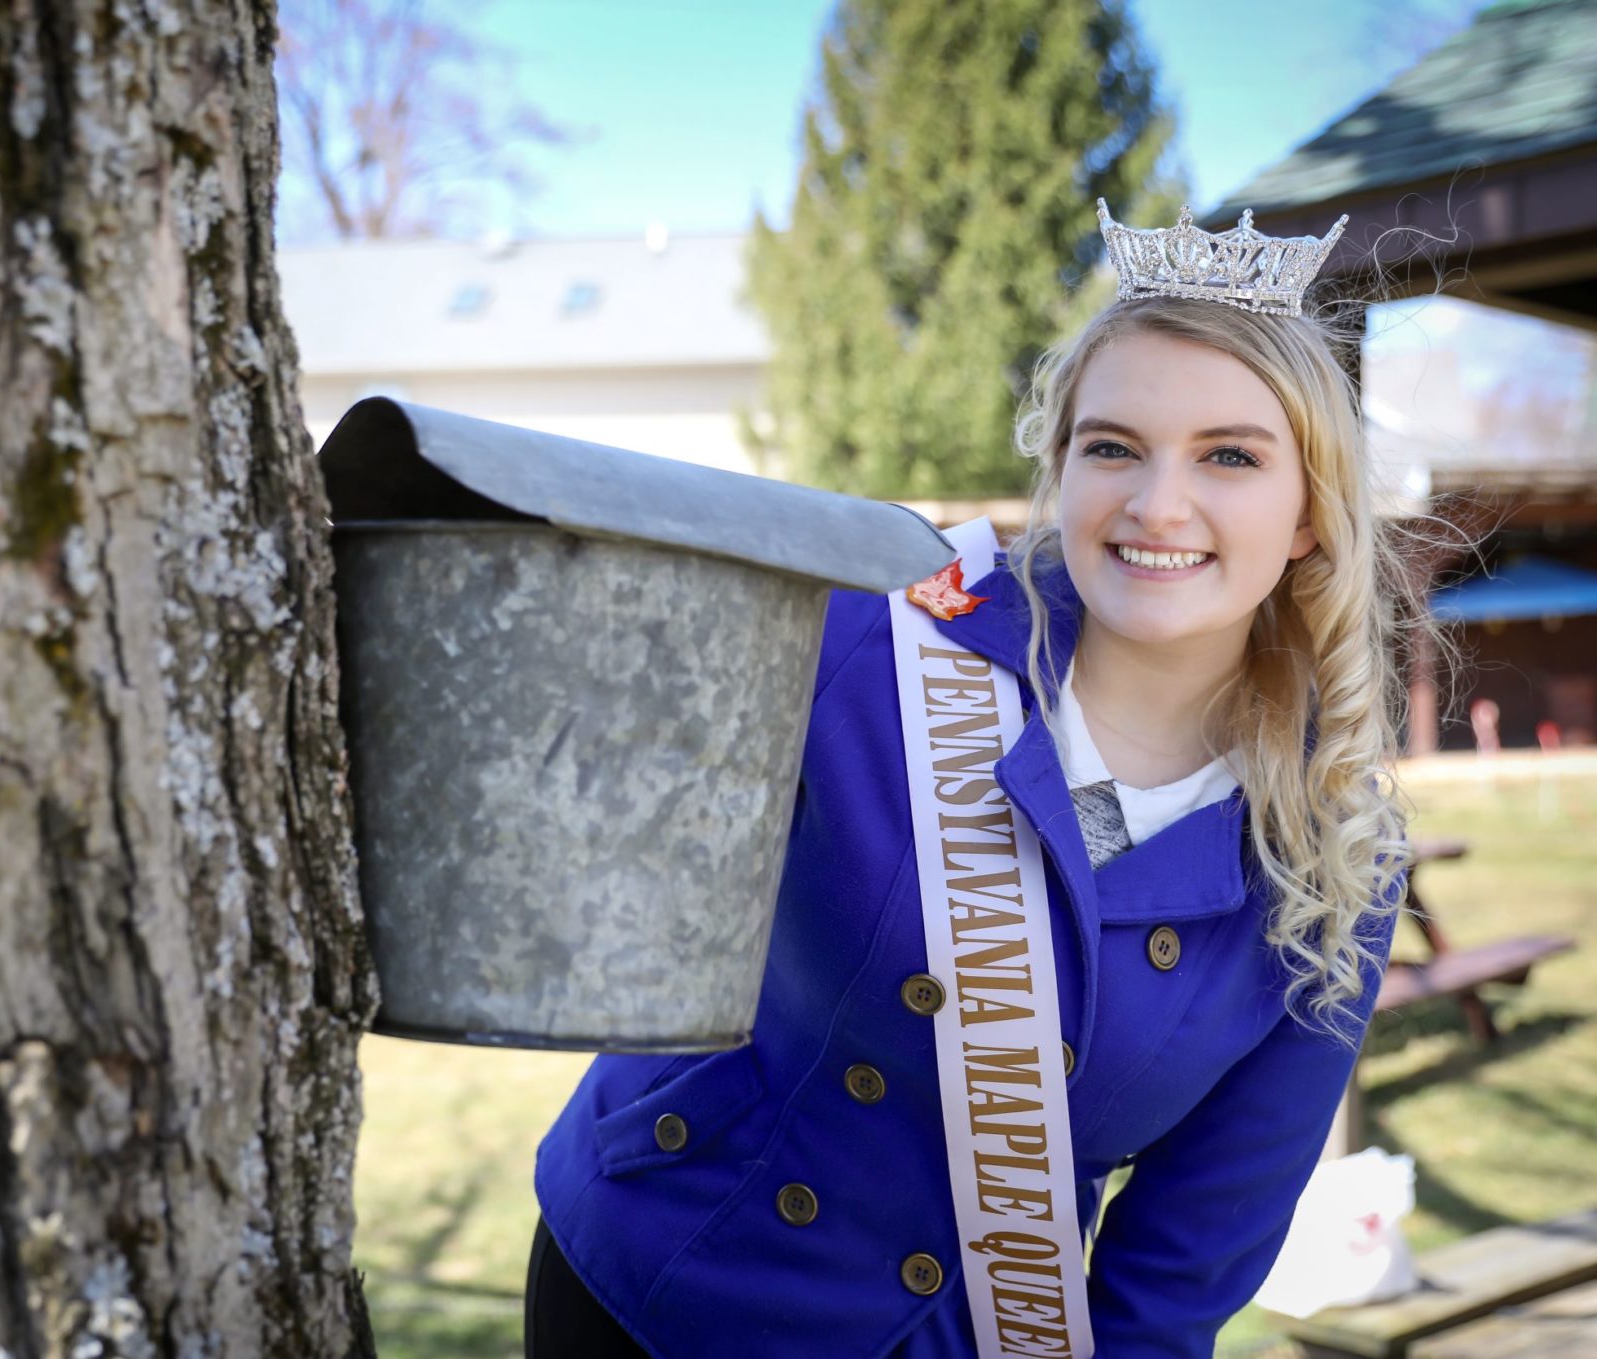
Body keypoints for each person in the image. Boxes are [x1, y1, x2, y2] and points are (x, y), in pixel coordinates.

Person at [524, 201, 1426, 1357]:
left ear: (1308, 514)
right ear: (1058, 466)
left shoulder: (1333, 860)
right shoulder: (878, 632)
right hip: (663, 1271)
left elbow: (1185, 1258)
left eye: (1229, 457)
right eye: (1111, 447)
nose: (1155, 505)